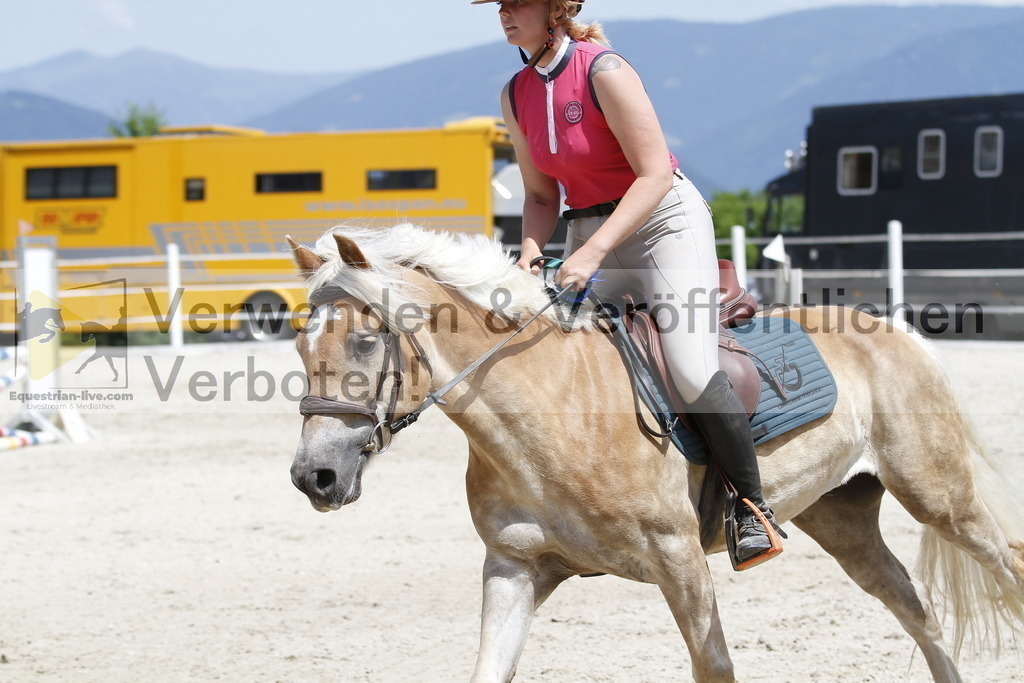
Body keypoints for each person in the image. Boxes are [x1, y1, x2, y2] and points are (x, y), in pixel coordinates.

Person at [472, 0, 785, 567]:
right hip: (589, 226)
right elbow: (543, 195)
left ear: (555, 10)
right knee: (558, 356)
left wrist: (591, 253)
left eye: (518, 2)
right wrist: (529, 258)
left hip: (665, 219)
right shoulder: (514, 93)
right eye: (501, 4)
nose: (505, 13)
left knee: (688, 367)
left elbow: (655, 172)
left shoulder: (603, 70)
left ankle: (751, 507)